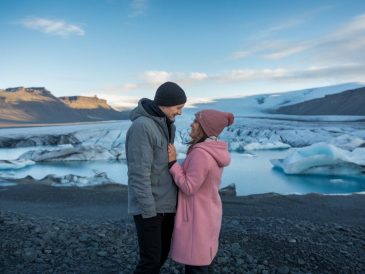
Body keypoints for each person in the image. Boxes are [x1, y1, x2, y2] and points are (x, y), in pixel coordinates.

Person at [126, 81, 187, 273]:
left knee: (160, 256)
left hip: (166, 205)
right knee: (150, 262)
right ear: (166, 103)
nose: (180, 112)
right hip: (151, 208)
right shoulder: (142, 127)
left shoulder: (167, 125)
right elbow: (139, 173)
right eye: (178, 107)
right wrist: (149, 211)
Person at [168, 109, 234, 274]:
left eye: (196, 121)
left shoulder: (201, 154)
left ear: (206, 128)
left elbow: (189, 187)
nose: (192, 124)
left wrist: (172, 163)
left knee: (196, 264)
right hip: (208, 212)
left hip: (197, 217)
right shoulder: (213, 150)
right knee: (204, 260)